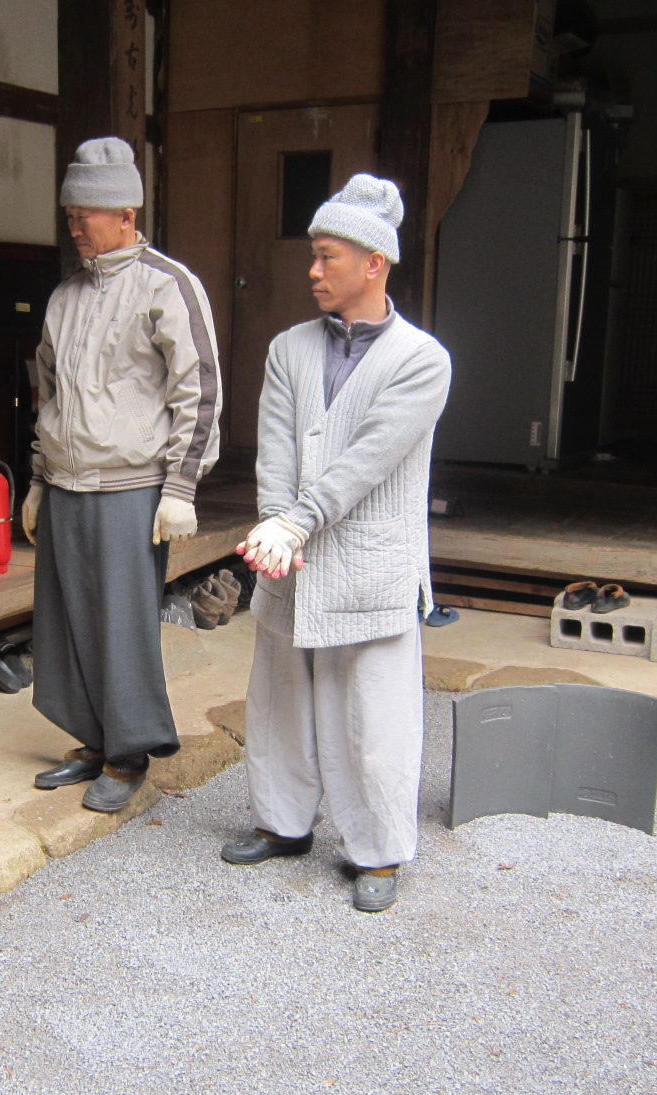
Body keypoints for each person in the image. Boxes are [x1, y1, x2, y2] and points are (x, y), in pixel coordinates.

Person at [222, 174, 451, 913]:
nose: (313, 271)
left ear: (374, 263)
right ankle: (282, 823)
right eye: (313, 256)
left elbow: (368, 460)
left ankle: (378, 851)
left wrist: (298, 522)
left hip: (371, 566)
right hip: (290, 558)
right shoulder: (288, 348)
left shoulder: (422, 359)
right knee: (279, 702)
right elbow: (276, 449)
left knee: (373, 718)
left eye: (328, 257)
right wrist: (274, 526)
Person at [22, 136, 222, 814]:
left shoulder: (167, 284)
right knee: (66, 619)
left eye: (85, 215)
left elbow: (200, 390)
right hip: (67, 482)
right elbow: (48, 393)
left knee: (121, 624)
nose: (75, 227)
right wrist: (38, 479)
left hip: (131, 487)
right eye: (70, 215)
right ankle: (92, 739)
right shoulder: (65, 295)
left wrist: (180, 488)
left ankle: (128, 753)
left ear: (126, 214)